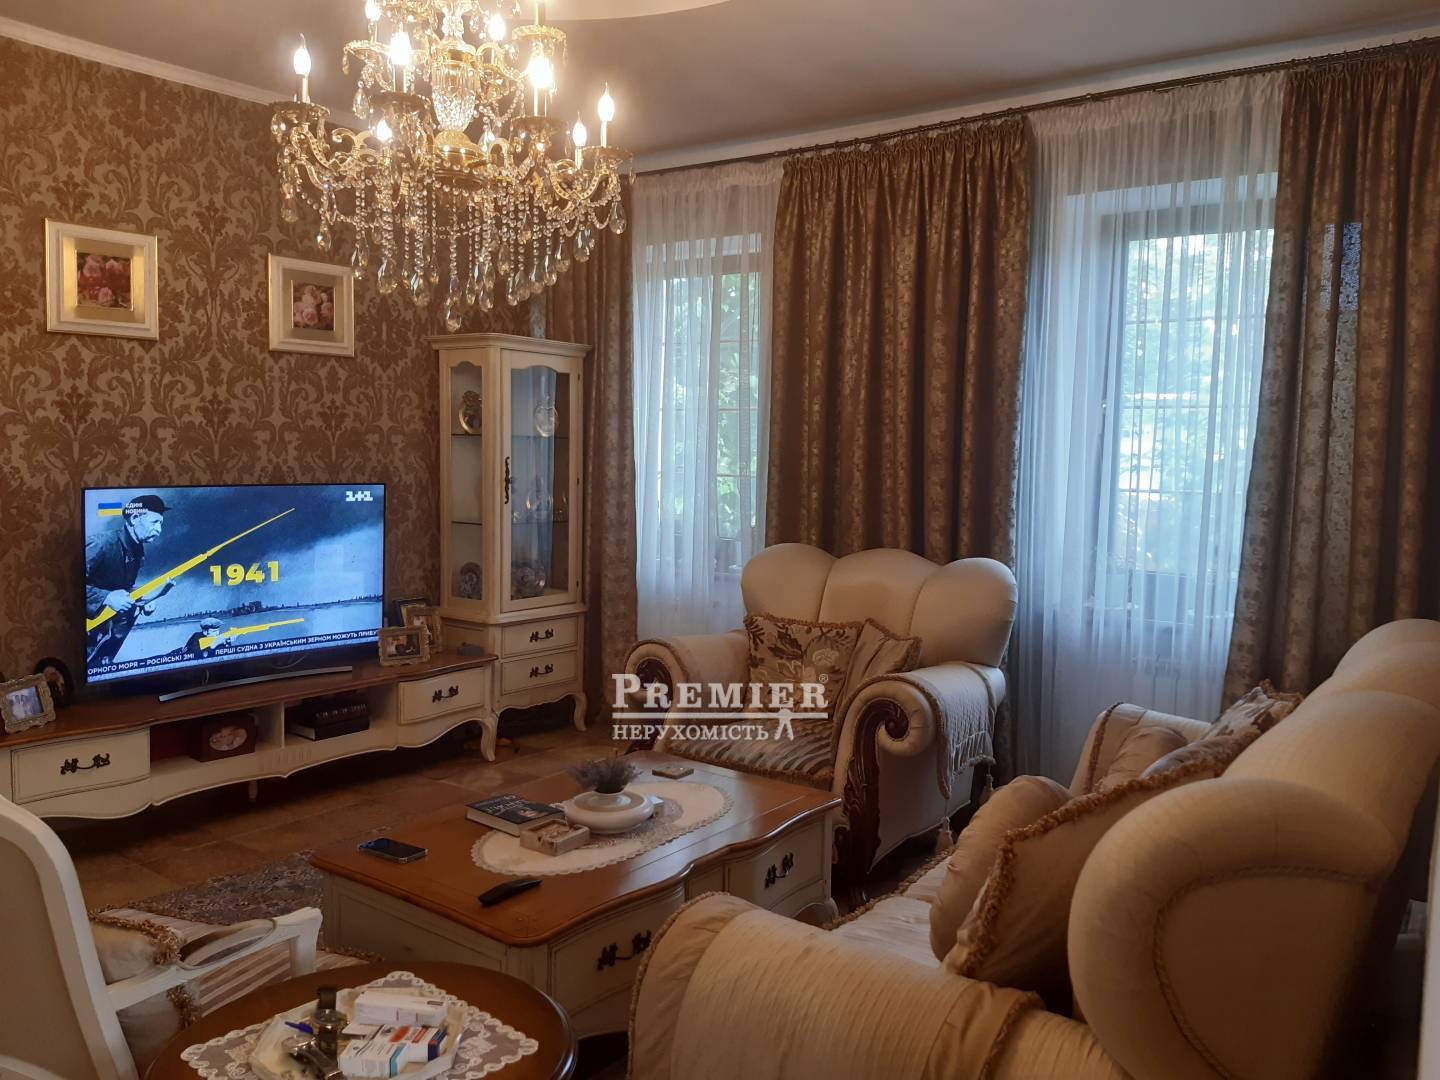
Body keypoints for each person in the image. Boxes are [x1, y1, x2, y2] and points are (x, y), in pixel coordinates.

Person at [85, 494, 171, 666]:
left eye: (161, 523)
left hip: (106, 634)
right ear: (134, 518)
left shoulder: (137, 551)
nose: (159, 529)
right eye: (155, 522)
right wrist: (106, 597)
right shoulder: (100, 544)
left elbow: (123, 587)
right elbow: (67, 588)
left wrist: (143, 598)